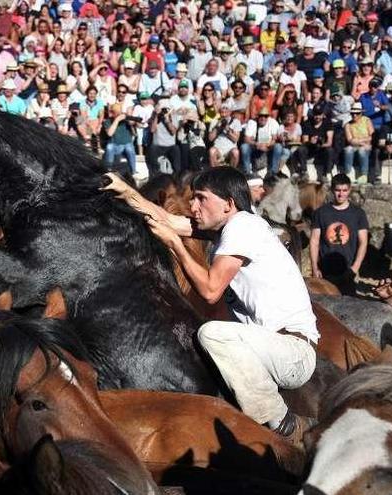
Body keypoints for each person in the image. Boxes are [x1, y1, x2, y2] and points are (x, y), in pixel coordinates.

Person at [102, 168, 318, 445]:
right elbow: (166, 219)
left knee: (212, 333)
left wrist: (176, 246)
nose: (193, 206)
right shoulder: (230, 227)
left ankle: (283, 423)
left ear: (228, 204)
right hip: (269, 348)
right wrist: (125, 190)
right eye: (193, 199)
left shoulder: (243, 226)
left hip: (292, 352)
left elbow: (210, 291)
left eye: (201, 199)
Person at [310, 174, 369, 295]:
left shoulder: (358, 214)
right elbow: (314, 241)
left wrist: (355, 268)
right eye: (338, 190)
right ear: (332, 190)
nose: (341, 194)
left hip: (348, 271)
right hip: (325, 271)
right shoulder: (321, 213)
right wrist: (314, 267)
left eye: (344, 190)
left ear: (349, 190)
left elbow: (363, 242)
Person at [101, 103, 136, 175]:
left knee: (130, 149)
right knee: (109, 147)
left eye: (118, 112)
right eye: (114, 112)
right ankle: (109, 170)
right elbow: (110, 133)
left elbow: (134, 131)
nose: (117, 114)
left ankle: (133, 171)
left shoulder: (126, 120)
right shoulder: (107, 121)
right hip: (114, 144)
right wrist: (116, 120)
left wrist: (130, 121)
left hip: (126, 143)